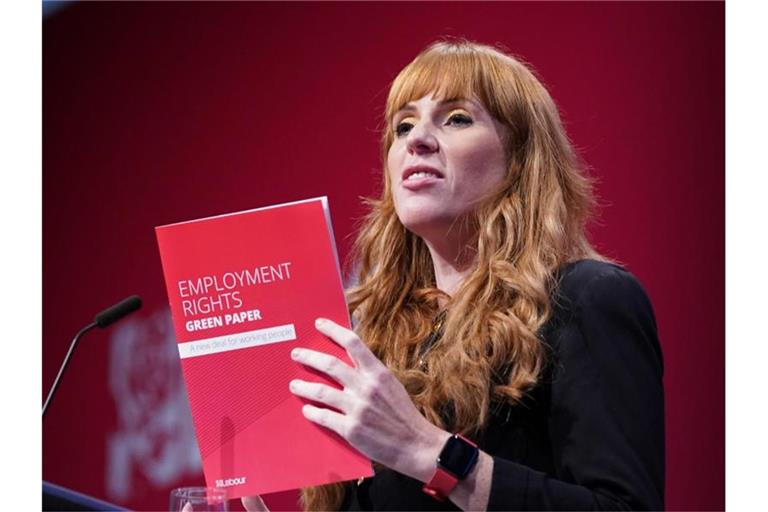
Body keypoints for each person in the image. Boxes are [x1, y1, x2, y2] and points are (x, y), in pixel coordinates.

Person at [243, 39, 664, 511]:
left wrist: (427, 450)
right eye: (402, 126)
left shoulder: (586, 300)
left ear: (522, 162)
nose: (417, 139)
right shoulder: (383, 342)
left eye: (457, 118)